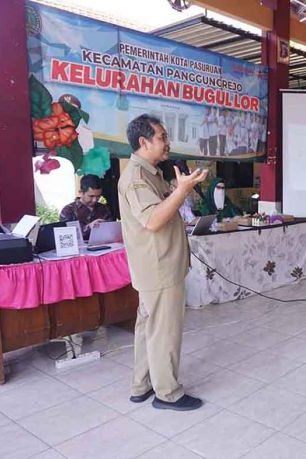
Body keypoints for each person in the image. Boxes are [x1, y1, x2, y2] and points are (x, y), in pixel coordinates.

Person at [118, 114, 208, 411]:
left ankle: (141, 385)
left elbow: (161, 208)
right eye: (162, 138)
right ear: (144, 142)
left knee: (149, 328)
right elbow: (154, 220)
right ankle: (168, 393)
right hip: (158, 268)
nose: (168, 143)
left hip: (158, 264)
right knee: (164, 331)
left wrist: (177, 189)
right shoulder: (136, 178)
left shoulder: (151, 172)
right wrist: (181, 191)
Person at [59, 174, 113, 240]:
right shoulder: (68, 210)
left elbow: (111, 232)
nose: (95, 200)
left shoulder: (104, 209)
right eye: (91, 196)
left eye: (98, 196)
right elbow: (66, 236)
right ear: (81, 193)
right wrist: (89, 227)